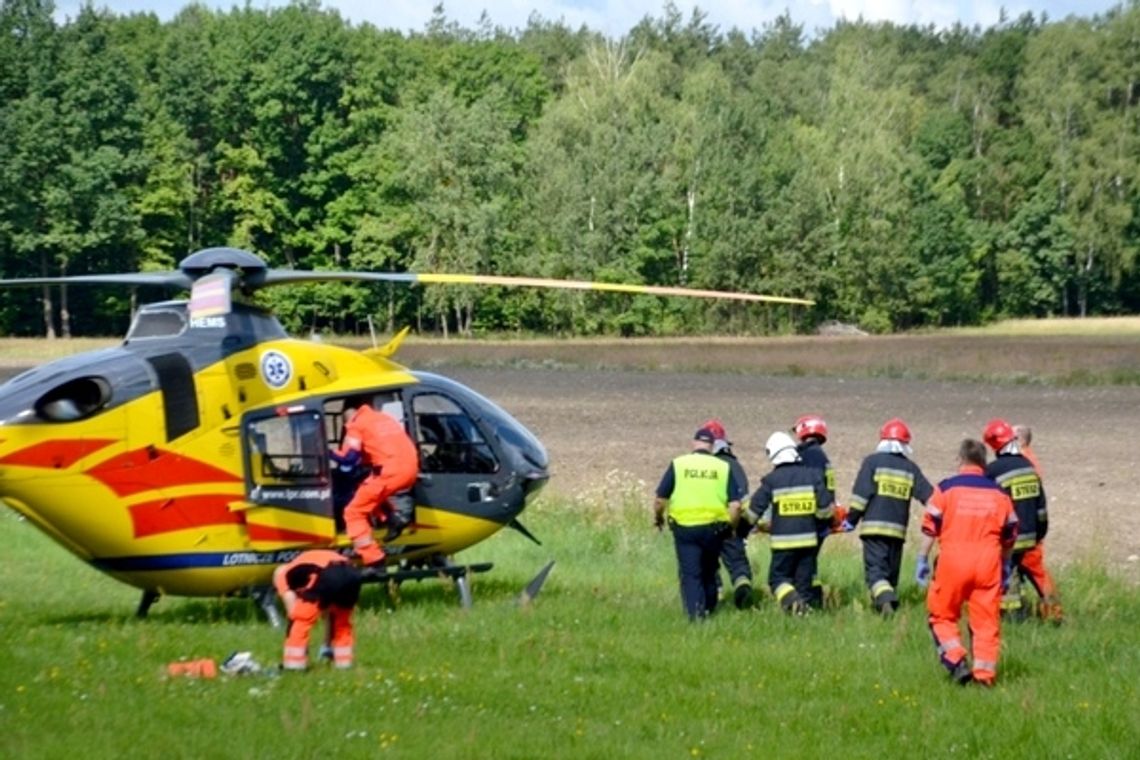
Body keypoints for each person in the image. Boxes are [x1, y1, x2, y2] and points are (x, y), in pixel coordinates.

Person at [916, 439, 1018, 686]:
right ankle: (984, 677)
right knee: (986, 623)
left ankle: (957, 662)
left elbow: (930, 528)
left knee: (942, 616)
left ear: (960, 460)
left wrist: (922, 559)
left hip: (953, 562)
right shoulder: (999, 494)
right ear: (984, 463)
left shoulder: (946, 489)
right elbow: (1011, 534)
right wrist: (1005, 565)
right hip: (987, 564)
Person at [653, 426, 745, 620]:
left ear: (694, 444)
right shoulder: (723, 467)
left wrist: (658, 518)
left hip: (685, 528)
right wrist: (732, 527)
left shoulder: (679, 464)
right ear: (712, 446)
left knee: (691, 574)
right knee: (710, 571)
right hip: (714, 529)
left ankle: (696, 617)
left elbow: (660, 499)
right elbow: (735, 505)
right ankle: (710, 609)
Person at [737, 431, 834, 614]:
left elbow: (753, 511)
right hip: (809, 543)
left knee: (778, 580)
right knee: (803, 583)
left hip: (784, 544)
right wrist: (819, 523)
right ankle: (803, 614)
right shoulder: (812, 476)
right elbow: (825, 511)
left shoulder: (772, 480)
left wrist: (741, 531)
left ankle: (796, 605)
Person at [845, 418, 934, 615]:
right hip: (897, 533)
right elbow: (931, 498)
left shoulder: (872, 462)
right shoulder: (911, 469)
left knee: (876, 573)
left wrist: (851, 520)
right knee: (891, 574)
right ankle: (889, 604)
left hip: (874, 530)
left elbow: (861, 496)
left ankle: (886, 602)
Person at [983, 418, 1062, 623]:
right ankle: (1054, 614)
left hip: (1007, 539)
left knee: (1007, 576)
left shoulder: (993, 471)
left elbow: (988, 508)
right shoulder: (1029, 467)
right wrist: (1039, 534)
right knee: (1039, 576)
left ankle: (1012, 617)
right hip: (1030, 536)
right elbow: (1041, 507)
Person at [332, 397, 419, 566]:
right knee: (366, 489)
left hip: (390, 473)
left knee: (353, 512)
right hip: (410, 469)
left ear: (348, 418)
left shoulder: (356, 423)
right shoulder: (383, 418)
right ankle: (392, 519)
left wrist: (328, 453)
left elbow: (349, 459)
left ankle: (374, 560)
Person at [274, 549, 363, 670]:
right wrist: (326, 646)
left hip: (327, 572)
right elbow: (327, 612)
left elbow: (292, 611)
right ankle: (344, 663)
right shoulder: (304, 565)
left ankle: (294, 665)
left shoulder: (282, 575)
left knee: (301, 620)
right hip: (352, 573)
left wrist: (298, 644)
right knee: (341, 621)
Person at [702, 418, 754, 609]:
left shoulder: (701, 468)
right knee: (737, 562)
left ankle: (716, 598)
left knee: (708, 563)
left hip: (707, 522)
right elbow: (744, 500)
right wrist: (746, 527)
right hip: (731, 523)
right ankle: (743, 589)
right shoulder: (733, 465)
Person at [792, 414, 844, 607]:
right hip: (822, 518)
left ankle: (807, 603)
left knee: (803, 565)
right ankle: (813, 601)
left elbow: (814, 487)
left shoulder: (809, 456)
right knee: (809, 563)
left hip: (811, 518)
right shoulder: (821, 456)